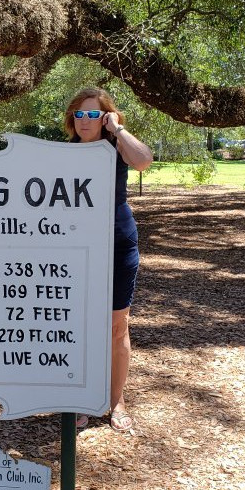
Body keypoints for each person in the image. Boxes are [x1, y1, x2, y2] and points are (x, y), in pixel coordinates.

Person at [64, 87, 153, 432]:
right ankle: (84, 399)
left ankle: (116, 402)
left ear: (104, 117)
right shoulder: (61, 154)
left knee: (117, 327)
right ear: (72, 118)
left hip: (117, 244)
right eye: (79, 114)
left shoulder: (116, 148)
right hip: (75, 248)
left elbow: (144, 160)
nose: (85, 121)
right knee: (80, 325)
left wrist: (117, 129)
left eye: (93, 115)